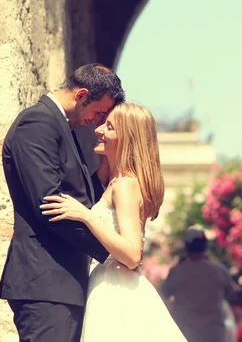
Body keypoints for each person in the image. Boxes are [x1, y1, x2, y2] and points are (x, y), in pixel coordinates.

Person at [0, 63, 125, 342]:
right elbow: (50, 204)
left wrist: (104, 172)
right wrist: (111, 250)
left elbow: (76, 198)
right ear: (81, 95)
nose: (97, 122)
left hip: (63, 283)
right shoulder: (38, 123)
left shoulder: (62, 126)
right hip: (44, 282)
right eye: (99, 112)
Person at [40, 103, 187, 341]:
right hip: (111, 283)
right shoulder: (116, 182)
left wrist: (86, 215)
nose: (98, 130)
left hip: (115, 289)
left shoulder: (125, 186)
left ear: (127, 138)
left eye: (109, 127)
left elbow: (132, 255)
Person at [161, 227, 235, 342]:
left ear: (186, 247)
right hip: (214, 333)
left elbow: (164, 294)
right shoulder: (219, 270)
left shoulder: (177, 271)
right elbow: (229, 293)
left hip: (184, 333)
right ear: (206, 246)